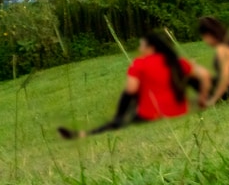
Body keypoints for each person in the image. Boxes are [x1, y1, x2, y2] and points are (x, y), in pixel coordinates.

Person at [58, 30, 196, 139]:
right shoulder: (178, 62)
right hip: (179, 111)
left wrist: (119, 115)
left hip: (152, 114)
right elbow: (202, 77)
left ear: (151, 48)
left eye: (141, 45)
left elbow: (130, 91)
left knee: (130, 97)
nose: (139, 48)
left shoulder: (140, 63)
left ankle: (91, 132)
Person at [195, 16, 229, 104]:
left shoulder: (222, 50)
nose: (204, 40)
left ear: (209, 35)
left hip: (228, 91)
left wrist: (213, 100)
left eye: (204, 37)